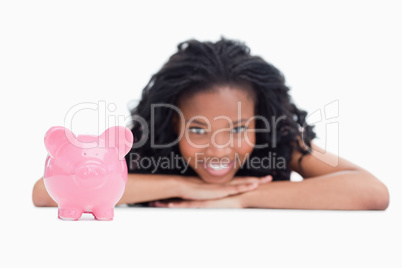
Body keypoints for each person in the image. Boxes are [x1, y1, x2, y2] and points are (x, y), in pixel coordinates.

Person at [32, 37, 389, 210]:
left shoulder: (275, 142)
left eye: (237, 129)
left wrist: (239, 199)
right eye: (198, 130)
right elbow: (45, 192)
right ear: (172, 124)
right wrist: (182, 185)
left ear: (260, 123)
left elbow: (373, 192)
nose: (219, 149)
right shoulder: (150, 149)